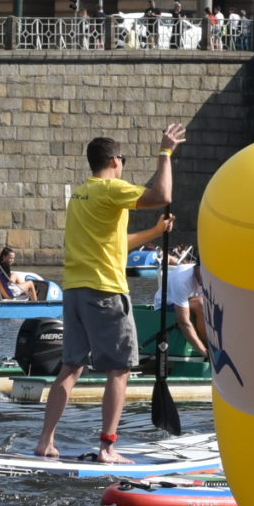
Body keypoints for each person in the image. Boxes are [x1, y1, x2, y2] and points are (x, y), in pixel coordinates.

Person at [33, 124, 181, 462]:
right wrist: (165, 153)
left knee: (70, 366)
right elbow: (162, 196)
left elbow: (116, 244)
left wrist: (155, 231)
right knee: (119, 370)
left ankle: (45, 441)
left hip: (74, 292)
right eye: (123, 161)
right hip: (105, 291)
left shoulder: (82, 195)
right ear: (115, 160)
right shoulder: (113, 189)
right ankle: (108, 447)